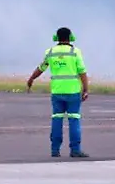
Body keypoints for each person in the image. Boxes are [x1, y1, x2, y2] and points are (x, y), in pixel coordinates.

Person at [27, 27, 89, 158]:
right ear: (70, 37)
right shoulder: (75, 52)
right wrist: (86, 89)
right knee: (74, 120)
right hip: (73, 91)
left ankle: (55, 150)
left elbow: (41, 68)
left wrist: (31, 78)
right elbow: (82, 72)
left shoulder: (50, 52)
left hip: (57, 91)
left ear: (56, 38)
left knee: (57, 119)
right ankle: (75, 150)